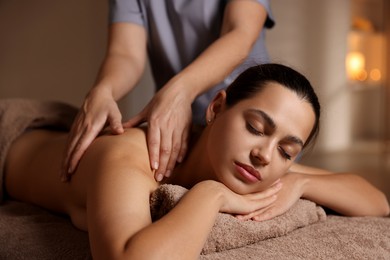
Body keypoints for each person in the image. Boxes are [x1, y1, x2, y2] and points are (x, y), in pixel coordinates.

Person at [4, 64, 389, 259]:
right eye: (255, 127)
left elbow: (375, 202)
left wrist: (302, 182)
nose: (265, 154)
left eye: (288, 151)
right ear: (216, 108)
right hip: (12, 135)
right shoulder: (127, 157)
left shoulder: (261, 161)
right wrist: (211, 195)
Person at [61, 0, 275, 182]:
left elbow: (239, 33)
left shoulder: (262, 148)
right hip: (175, 128)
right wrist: (103, 90)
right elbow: (125, 54)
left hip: (245, 124)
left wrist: (182, 90)